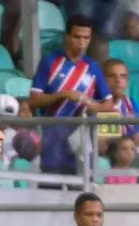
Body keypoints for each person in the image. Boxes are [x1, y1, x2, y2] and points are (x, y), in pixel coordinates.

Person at [27, 14, 116, 176]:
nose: (82, 43)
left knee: (83, 183)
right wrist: (63, 95)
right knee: (51, 182)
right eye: (77, 37)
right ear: (67, 36)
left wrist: (89, 103)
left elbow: (108, 104)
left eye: (86, 38)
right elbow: (34, 99)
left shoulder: (93, 66)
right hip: (52, 134)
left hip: (82, 134)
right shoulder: (50, 61)